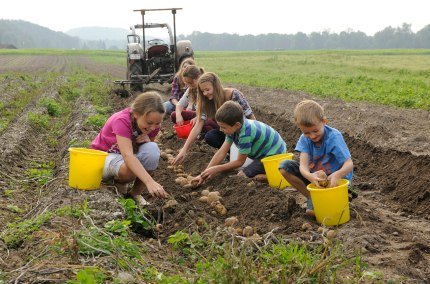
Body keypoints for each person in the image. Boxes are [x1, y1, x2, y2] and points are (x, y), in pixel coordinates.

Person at [91, 91, 168, 206]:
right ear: (136, 114)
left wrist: (147, 141)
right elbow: (128, 156)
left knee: (152, 149)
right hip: (103, 156)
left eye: (157, 123)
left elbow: (146, 156)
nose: (153, 127)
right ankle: (115, 183)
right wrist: (149, 182)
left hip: (122, 157)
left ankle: (135, 194)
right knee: (129, 170)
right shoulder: (122, 120)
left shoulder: (153, 126)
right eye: (149, 123)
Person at [278, 99, 353, 217]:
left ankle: (341, 195)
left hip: (336, 181)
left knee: (313, 213)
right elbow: (303, 166)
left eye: (315, 131)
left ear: (323, 121)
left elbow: (349, 164)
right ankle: (312, 197)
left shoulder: (334, 137)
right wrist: (310, 176)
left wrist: (337, 175)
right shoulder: (304, 139)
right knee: (284, 166)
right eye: (306, 133)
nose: (312, 136)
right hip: (316, 179)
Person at [193, 101, 287, 185]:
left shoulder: (245, 133)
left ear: (237, 124)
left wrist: (216, 169)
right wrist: (204, 174)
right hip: (262, 154)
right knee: (240, 170)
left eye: (223, 127)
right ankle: (267, 172)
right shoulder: (233, 129)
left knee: (241, 176)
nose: (221, 130)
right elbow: (222, 152)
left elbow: (239, 162)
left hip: (273, 156)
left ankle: (268, 176)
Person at [172, 72, 256, 165]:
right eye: (202, 91)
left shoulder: (233, 95)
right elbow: (198, 125)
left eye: (207, 89)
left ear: (216, 86)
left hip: (243, 133)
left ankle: (239, 154)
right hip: (228, 133)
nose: (205, 93)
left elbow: (251, 117)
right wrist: (184, 150)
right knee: (211, 137)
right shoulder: (205, 101)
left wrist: (254, 138)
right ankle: (230, 153)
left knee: (243, 162)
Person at [170, 65, 218, 134]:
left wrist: (198, 118)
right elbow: (180, 104)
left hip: (210, 116)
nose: (189, 86)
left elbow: (211, 111)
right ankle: (196, 129)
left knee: (207, 126)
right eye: (187, 84)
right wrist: (178, 115)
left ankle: (201, 130)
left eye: (190, 83)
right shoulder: (191, 89)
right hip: (199, 115)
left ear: (198, 78)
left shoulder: (206, 89)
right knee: (174, 115)